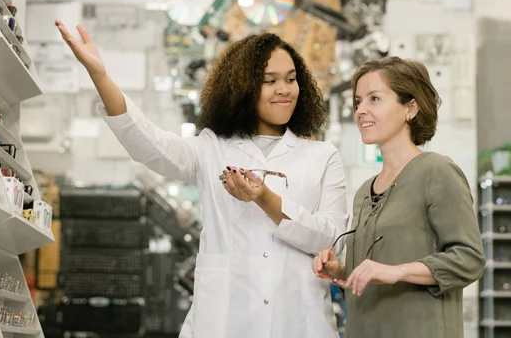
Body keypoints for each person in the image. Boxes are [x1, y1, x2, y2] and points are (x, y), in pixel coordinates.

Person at [55, 20, 349, 338]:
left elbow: (332, 239)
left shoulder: (322, 156)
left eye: (291, 79)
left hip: (299, 322)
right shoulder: (212, 148)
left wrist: (265, 199)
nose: (284, 89)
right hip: (226, 322)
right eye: (270, 80)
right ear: (245, 88)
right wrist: (100, 75)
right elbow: (148, 145)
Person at [312, 56, 486, 338]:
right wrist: (341, 271)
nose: (361, 110)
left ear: (411, 108)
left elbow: (469, 259)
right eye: (358, 101)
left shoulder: (437, 171)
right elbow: (372, 273)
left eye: (374, 99)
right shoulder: (364, 193)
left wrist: (399, 272)